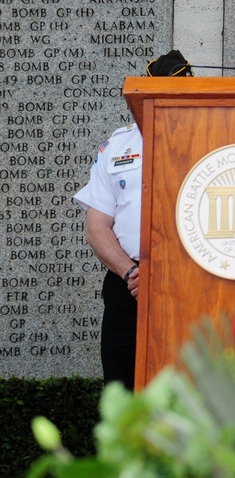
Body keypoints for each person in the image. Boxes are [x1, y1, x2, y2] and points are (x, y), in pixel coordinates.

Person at [74, 50, 193, 390]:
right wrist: (132, 272)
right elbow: (97, 226)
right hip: (129, 284)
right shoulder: (118, 143)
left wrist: (169, 272)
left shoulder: (209, 136)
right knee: (122, 386)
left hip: (190, 281)